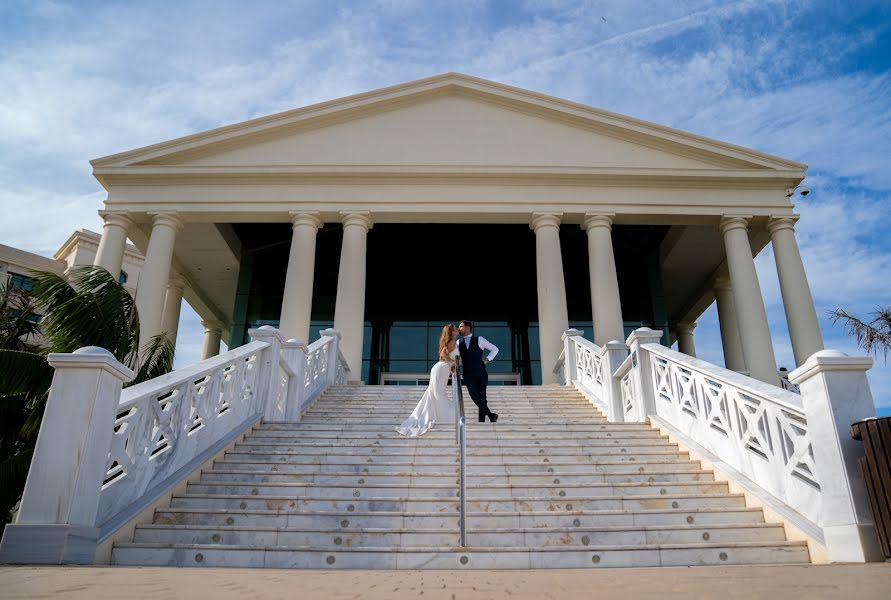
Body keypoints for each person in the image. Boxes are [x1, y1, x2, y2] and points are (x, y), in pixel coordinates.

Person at [395, 324, 460, 437]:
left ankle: (442, 415)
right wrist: (452, 363)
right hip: (441, 369)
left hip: (441, 369)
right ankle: (448, 416)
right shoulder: (452, 342)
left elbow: (448, 355)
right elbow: (443, 354)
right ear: (452, 332)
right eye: (455, 329)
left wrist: (452, 366)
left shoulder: (451, 341)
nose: (458, 330)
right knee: (438, 394)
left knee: (435, 394)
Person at [456, 319, 499, 423]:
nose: (459, 328)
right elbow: (457, 358)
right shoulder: (458, 343)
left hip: (480, 373)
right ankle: (490, 415)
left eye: (461, 326)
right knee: (474, 395)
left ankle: (482, 422)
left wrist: (488, 359)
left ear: (467, 327)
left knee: (482, 397)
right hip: (467, 374)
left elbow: (495, 349)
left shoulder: (479, 339)